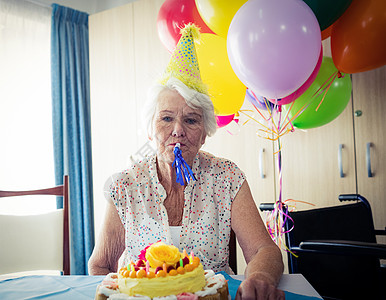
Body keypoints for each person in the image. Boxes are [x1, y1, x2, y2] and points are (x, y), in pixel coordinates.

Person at [88, 24, 284, 299]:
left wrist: (260, 277)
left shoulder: (227, 177)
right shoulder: (124, 185)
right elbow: (100, 266)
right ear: (150, 129)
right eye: (166, 118)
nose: (178, 130)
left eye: (191, 120)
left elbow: (265, 250)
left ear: (204, 135)